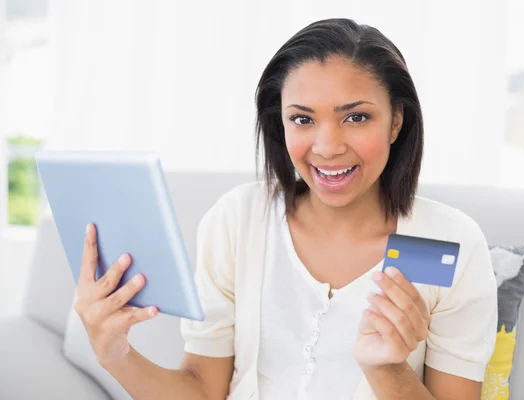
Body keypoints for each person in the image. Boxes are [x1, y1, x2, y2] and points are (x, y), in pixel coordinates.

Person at [74, 18, 497, 400]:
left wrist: (386, 369)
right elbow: (202, 391)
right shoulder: (237, 221)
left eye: (356, 118)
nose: (327, 147)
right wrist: (115, 354)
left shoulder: (447, 243)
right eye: (302, 119)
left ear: (397, 121)